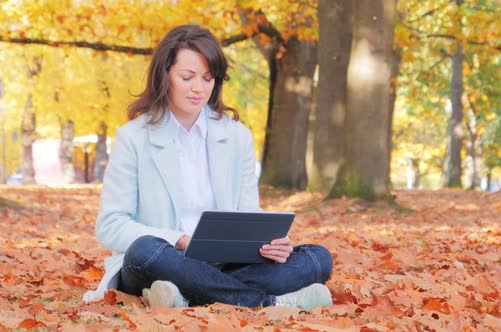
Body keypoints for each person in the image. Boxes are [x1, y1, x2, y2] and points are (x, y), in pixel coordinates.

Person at [83, 25, 333, 310]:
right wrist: (179, 240)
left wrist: (271, 242)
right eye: (187, 77)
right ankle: (270, 301)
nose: (198, 89)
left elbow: (248, 214)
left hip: (225, 264)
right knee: (143, 250)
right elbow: (111, 226)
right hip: (163, 260)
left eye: (207, 78)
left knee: (318, 258)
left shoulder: (237, 137)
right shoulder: (134, 137)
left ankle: (183, 297)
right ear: (164, 75)